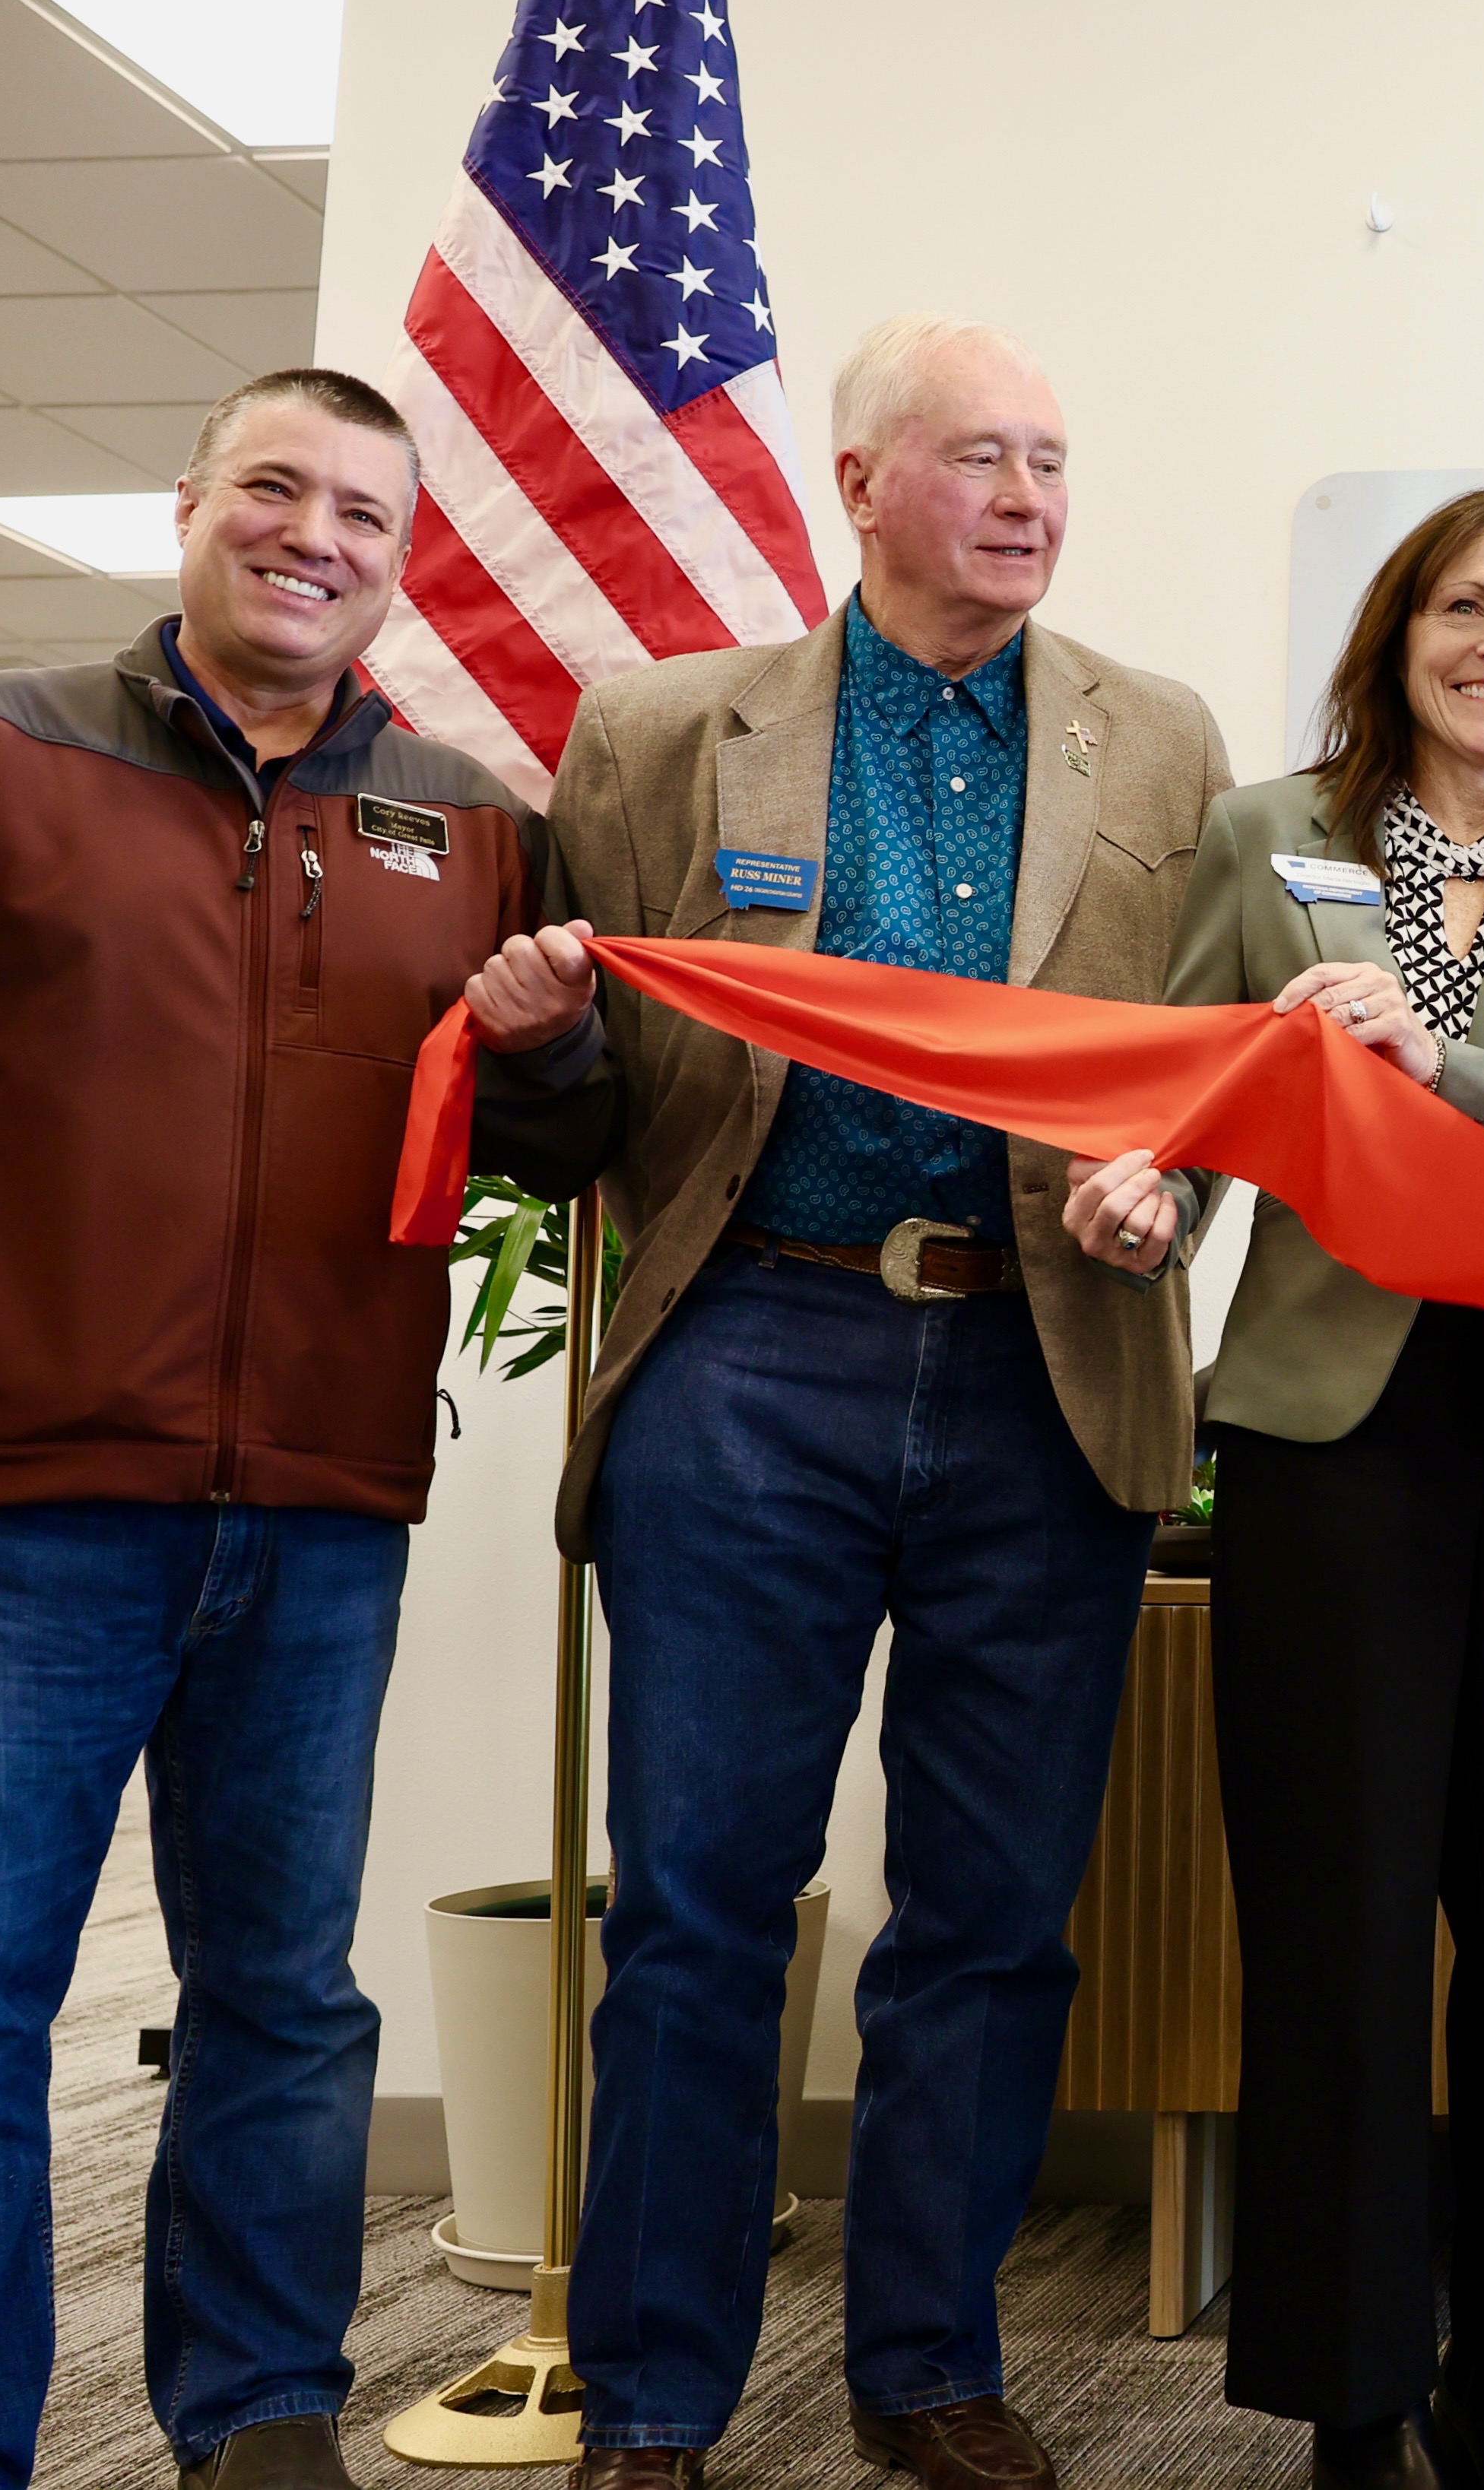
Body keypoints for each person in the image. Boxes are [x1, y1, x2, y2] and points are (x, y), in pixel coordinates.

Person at [471, 315, 1229, 2490]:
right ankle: (652, 2397)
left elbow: (1206, 1065)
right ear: (862, 482)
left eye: (1053, 462)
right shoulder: (660, 731)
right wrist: (539, 1044)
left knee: (988, 1920)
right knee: (699, 1909)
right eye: (981, 456)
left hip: (1045, 1370)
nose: (1028, 498)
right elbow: (582, 1100)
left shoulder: (1162, 741)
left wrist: (1172, 1188)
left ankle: (927, 2367)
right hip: (751, 1354)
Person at [0, 369, 615, 2490]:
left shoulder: (472, 824)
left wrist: (552, 1051)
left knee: (284, 1997)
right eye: (275, 488)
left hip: (318, 1505)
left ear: (401, 559)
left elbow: (558, 1152)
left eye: (363, 512)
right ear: (188, 504)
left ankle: (263, 2419)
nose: (315, 536)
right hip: (10, 1502)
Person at [1080, 490, 1484, 2490]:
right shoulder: (1269, 835)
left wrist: (1439, 1065)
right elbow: (1192, 1094)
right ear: (1397, 637)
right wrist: (1147, 1197)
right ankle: (1351, 2393)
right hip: (1326, 1433)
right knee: (1336, 1918)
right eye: (1461, 606)